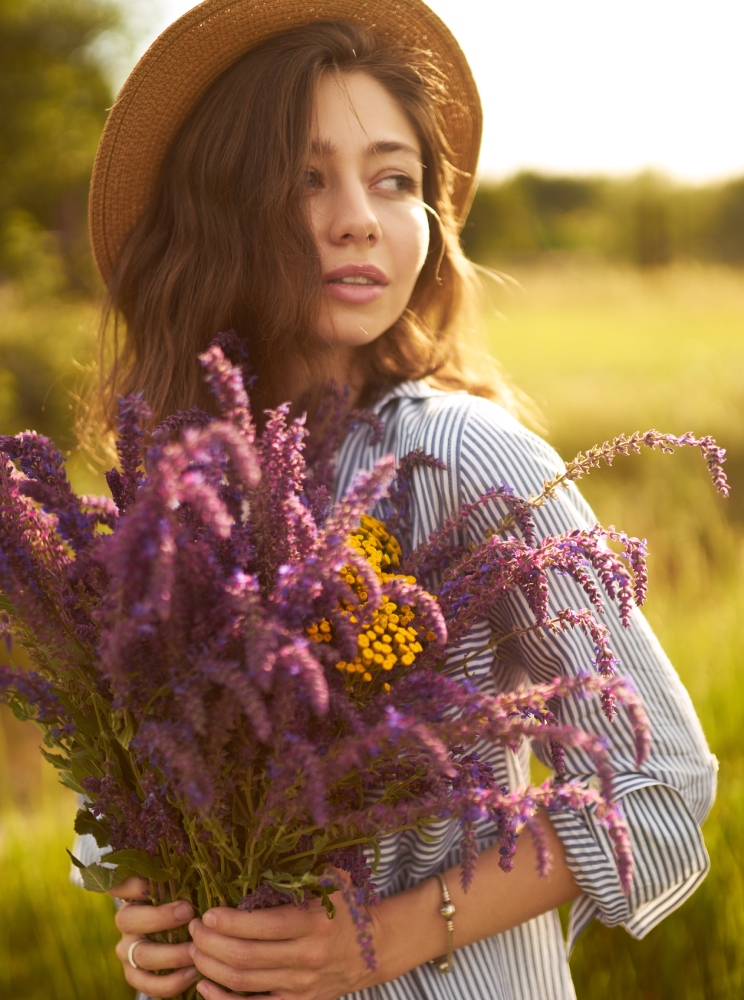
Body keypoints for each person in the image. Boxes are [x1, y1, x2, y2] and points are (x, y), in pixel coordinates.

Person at [79, 3, 717, 998]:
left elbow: (661, 777)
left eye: (395, 181)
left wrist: (388, 931)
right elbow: (145, 784)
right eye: (304, 178)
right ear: (216, 206)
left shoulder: (456, 453)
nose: (357, 218)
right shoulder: (177, 491)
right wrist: (154, 917)